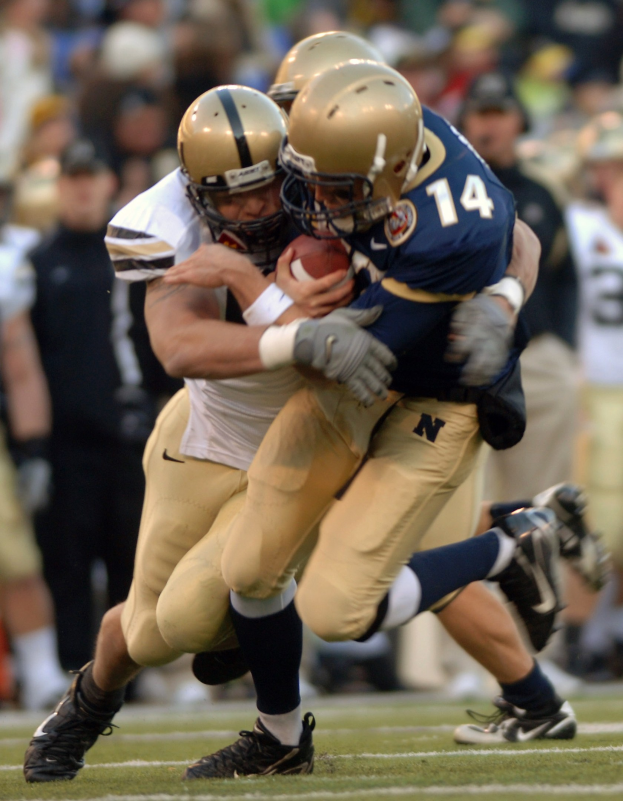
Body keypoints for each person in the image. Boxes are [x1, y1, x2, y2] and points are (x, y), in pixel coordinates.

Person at [24, 82, 560, 784]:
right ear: (192, 186)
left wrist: (502, 295)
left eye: (263, 185)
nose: (250, 207)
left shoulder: (334, 182)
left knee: (196, 617)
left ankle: (270, 685)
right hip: (205, 430)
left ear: (293, 160)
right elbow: (179, 344)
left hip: (309, 435)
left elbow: (508, 229)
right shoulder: (166, 217)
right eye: (228, 193)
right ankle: (88, 702)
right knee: (149, 625)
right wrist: (293, 333)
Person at [29, 139, 172, 670]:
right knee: (66, 563)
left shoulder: (133, 254)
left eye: (92, 176)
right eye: (74, 178)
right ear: (61, 186)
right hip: (68, 442)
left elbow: (159, 337)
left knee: (135, 560)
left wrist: (154, 401)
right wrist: (33, 445)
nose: (84, 187)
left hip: (131, 433)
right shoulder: (38, 264)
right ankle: (73, 674)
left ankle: (130, 672)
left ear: (110, 183)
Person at [459, 71, 580, 501]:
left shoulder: (546, 188)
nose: (489, 125)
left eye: (499, 113)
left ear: (519, 120)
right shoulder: (448, 186)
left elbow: (567, 272)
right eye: (480, 114)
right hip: (468, 356)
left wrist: (566, 346)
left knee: (542, 490)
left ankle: (537, 547)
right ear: (465, 122)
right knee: (472, 497)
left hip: (539, 352)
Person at [0, 179, 68, 710]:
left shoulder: (6, 267)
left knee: (13, 558)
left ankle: (42, 673)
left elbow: (20, 370)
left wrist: (34, 447)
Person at [565, 112, 623, 674]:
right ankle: (578, 636)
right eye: (608, 166)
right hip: (597, 387)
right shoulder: (581, 224)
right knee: (599, 520)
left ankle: (611, 634)